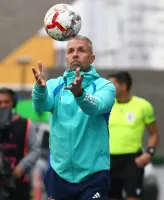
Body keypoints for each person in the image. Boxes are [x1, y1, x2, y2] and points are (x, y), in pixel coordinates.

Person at [31, 35, 116, 200]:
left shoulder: (105, 86)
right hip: (59, 173)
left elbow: (96, 106)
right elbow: (40, 106)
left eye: (81, 50)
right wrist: (40, 91)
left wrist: (80, 93)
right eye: (70, 51)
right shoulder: (54, 85)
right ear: (66, 57)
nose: (75, 54)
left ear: (92, 58)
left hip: (93, 174)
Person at [108, 72, 159, 200]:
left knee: (133, 197)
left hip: (132, 161)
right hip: (108, 161)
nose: (108, 88)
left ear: (123, 86)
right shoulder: (106, 105)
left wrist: (149, 153)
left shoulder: (143, 106)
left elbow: (154, 134)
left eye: (112, 84)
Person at [0, 87, 40, 200]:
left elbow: (35, 149)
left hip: (19, 183)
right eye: (0, 102)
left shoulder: (26, 124)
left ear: (13, 103)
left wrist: (22, 167)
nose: (3, 105)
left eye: (6, 102)